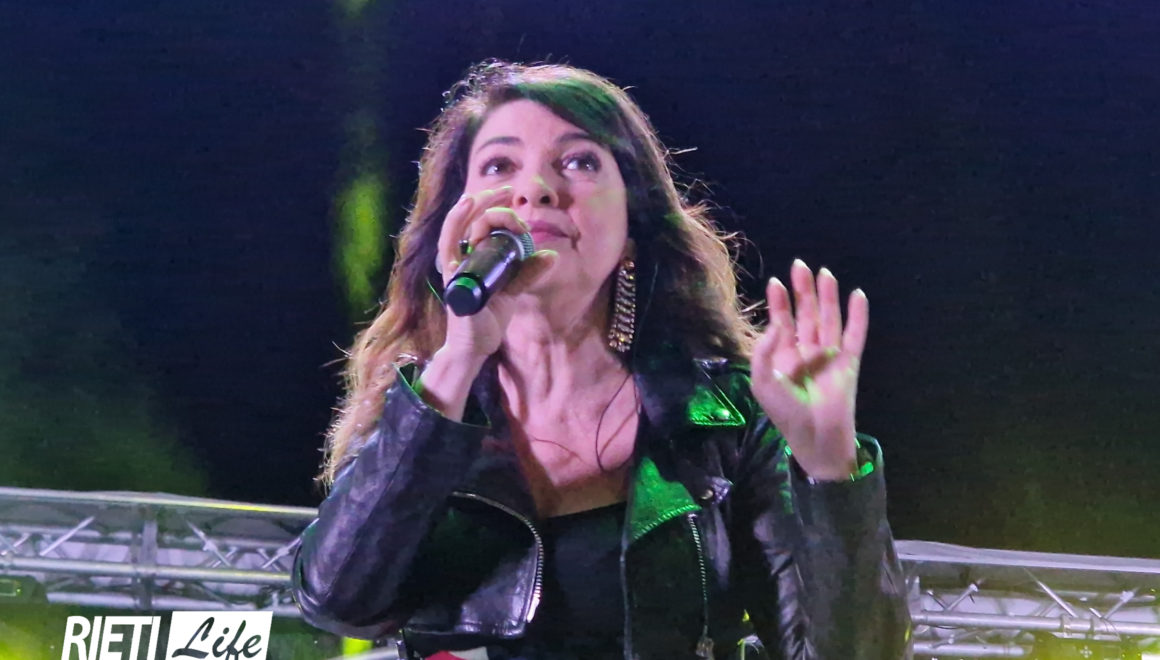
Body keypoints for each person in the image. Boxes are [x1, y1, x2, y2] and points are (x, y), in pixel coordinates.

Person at [291, 60, 911, 660]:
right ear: (458, 222)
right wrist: (458, 357)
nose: (535, 188)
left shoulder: (730, 419)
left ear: (632, 222)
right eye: (500, 165)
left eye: (579, 161)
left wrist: (831, 471)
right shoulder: (423, 411)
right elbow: (338, 603)